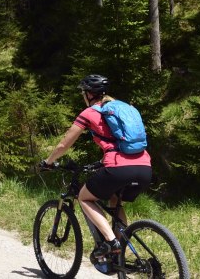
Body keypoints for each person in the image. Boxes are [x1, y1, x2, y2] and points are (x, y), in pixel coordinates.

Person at [41, 74, 152, 261]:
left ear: (88, 94)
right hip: (145, 166)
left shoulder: (90, 113)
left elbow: (64, 144)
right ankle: (119, 254)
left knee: (84, 198)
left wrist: (48, 161)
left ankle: (110, 242)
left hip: (118, 166)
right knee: (115, 200)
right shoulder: (122, 108)